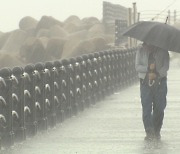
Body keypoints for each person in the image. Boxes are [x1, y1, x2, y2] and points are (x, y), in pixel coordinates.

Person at [135, 42, 170, 141]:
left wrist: (157, 74)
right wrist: (147, 69)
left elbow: (166, 66)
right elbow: (137, 66)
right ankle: (149, 131)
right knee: (146, 107)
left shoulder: (163, 51)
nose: (148, 47)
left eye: (150, 45)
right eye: (146, 45)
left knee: (160, 107)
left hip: (160, 83)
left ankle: (156, 130)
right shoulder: (140, 51)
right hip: (145, 83)